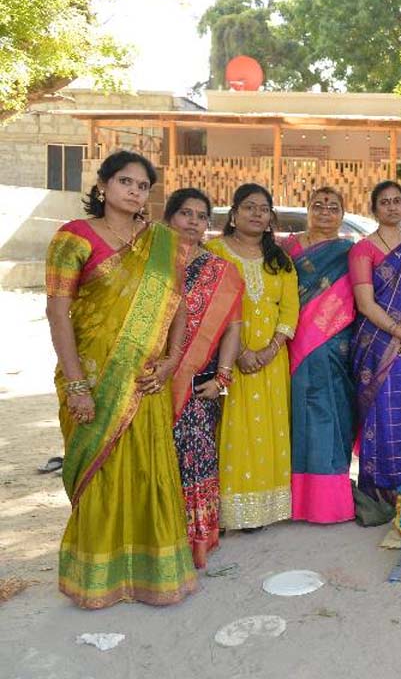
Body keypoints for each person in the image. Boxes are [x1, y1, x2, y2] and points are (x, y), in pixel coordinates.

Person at [45, 151, 197, 608]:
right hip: (93, 378)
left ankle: (153, 574)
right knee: (103, 473)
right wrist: (76, 384)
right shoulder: (73, 237)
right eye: (126, 182)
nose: (134, 191)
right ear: (104, 185)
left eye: (142, 186)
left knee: (149, 468)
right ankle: (99, 580)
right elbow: (57, 312)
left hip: (146, 378)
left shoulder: (162, 243)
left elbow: (179, 309)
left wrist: (171, 361)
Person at [207, 184, 298, 531]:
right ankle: (231, 511)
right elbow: (209, 309)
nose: (257, 214)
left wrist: (270, 349)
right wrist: (241, 352)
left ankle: (263, 510)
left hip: (272, 363)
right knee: (232, 428)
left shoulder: (280, 259)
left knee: (269, 430)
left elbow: (289, 309)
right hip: (227, 359)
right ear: (234, 213)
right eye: (249, 207)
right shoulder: (215, 252)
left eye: (263, 209)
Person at [167, 188, 244, 567]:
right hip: (149, 381)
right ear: (169, 218)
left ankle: (195, 539)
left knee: (195, 457)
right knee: (155, 458)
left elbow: (233, 327)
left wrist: (223, 378)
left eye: (201, 216)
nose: (193, 221)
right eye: (185, 213)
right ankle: (157, 535)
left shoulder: (220, 271)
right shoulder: (148, 264)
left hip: (199, 381)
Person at [350, 180, 401, 502]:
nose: (391, 207)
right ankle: (382, 493)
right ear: (374, 209)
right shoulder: (363, 249)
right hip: (379, 346)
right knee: (383, 417)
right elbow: (366, 304)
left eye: (397, 201)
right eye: (384, 202)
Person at [281, 187, 358, 523]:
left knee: (333, 416)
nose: (325, 212)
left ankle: (331, 501)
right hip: (292, 341)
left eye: (333, 207)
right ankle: (296, 500)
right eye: (318, 206)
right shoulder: (287, 248)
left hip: (334, 344)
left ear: (342, 213)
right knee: (297, 417)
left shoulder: (348, 251)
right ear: (307, 209)